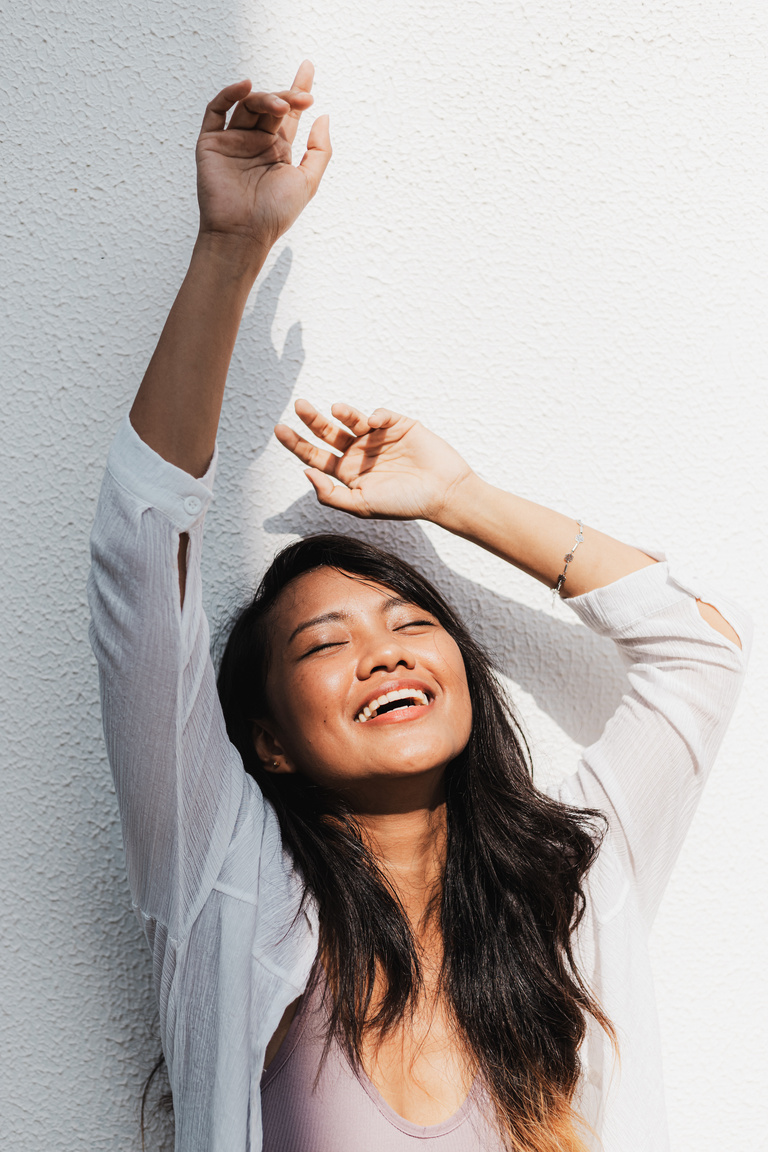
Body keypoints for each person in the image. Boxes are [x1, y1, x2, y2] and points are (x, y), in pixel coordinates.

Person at [88, 62, 750, 1152]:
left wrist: (461, 499)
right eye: (326, 643)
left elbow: (699, 652)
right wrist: (230, 249)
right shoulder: (225, 884)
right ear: (270, 738)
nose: (384, 654)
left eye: (409, 625)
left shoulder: (570, 889)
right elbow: (140, 551)